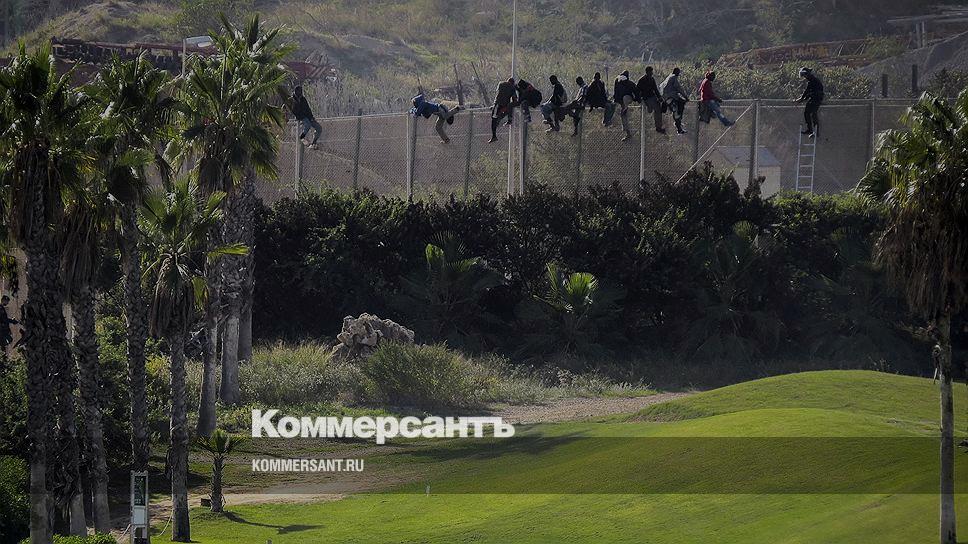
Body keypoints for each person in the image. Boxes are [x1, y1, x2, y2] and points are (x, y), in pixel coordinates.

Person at [795, 67, 824, 137]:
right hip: (813, 98)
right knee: (807, 113)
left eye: (804, 75)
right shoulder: (811, 80)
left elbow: (807, 91)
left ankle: (816, 132)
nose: (804, 77)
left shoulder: (812, 81)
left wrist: (801, 99)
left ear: (807, 74)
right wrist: (802, 99)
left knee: (813, 113)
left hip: (817, 98)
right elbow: (808, 92)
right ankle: (810, 130)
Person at [636, 66, 666, 133]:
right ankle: (658, 127)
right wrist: (639, 99)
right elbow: (637, 90)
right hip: (647, 98)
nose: (652, 73)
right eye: (651, 72)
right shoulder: (642, 80)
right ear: (647, 72)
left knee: (658, 110)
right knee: (657, 109)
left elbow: (655, 89)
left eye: (652, 71)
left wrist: (659, 97)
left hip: (652, 97)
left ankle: (658, 127)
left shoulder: (652, 79)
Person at [660, 67, 689, 134]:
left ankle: (678, 122)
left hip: (668, 97)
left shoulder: (669, 77)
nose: (679, 74)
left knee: (681, 103)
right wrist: (685, 97)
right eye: (678, 72)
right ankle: (679, 127)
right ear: (676, 72)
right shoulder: (673, 78)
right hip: (670, 97)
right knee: (676, 110)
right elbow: (679, 88)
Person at [489, 77, 518, 143]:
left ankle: (494, 136)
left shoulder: (501, 84)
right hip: (505, 106)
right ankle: (507, 119)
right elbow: (514, 99)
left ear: (508, 80)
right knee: (504, 112)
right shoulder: (512, 87)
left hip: (498, 104)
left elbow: (498, 94)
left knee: (493, 119)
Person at [613, 70, 639, 141]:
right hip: (621, 101)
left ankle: (625, 107)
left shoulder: (630, 84)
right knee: (623, 115)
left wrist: (637, 99)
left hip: (628, 98)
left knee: (625, 98)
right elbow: (616, 92)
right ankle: (628, 133)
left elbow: (636, 92)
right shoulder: (617, 82)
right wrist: (616, 100)